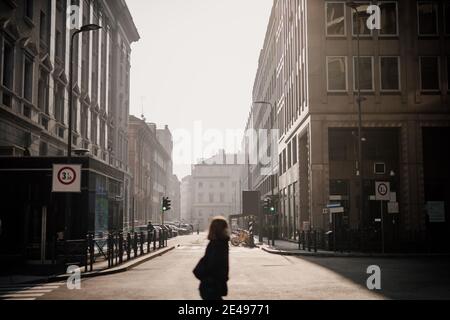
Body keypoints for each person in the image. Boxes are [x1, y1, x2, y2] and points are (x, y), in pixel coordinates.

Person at [193, 216, 230, 300]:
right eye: (225, 227)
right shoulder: (221, 243)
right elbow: (215, 264)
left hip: (210, 285)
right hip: (213, 285)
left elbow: (211, 263)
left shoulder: (216, 243)